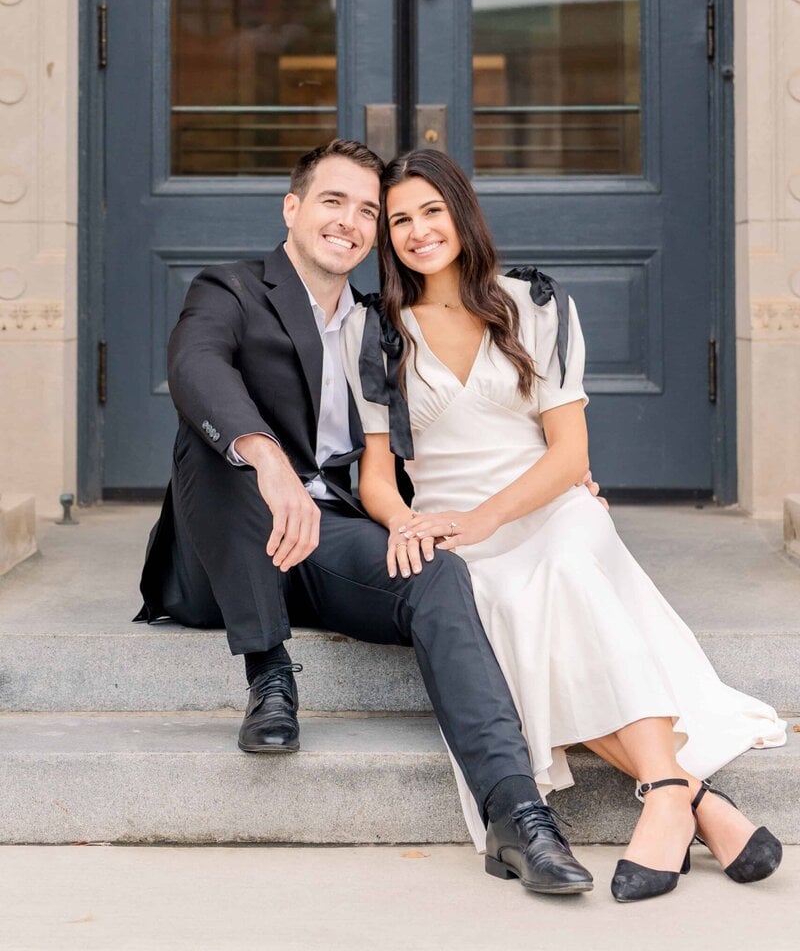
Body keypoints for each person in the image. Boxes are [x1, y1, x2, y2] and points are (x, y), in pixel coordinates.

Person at [135, 137, 607, 896]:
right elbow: (197, 369)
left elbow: (462, 425)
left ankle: (517, 814)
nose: (349, 222)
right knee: (214, 443)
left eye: (366, 211)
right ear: (292, 209)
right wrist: (266, 459)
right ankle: (269, 673)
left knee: (436, 573)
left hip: (327, 538)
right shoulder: (229, 289)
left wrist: (572, 473)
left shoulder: (374, 325)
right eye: (333, 201)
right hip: (228, 551)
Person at [340, 147, 787, 903]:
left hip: (550, 505)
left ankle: (671, 799)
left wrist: (482, 520)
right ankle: (687, 797)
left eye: (431, 212)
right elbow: (376, 476)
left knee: (566, 575)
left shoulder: (533, 304)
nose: (417, 232)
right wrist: (409, 522)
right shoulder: (376, 333)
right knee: (510, 614)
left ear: (462, 213)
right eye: (399, 220)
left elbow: (569, 452)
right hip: (454, 528)